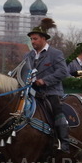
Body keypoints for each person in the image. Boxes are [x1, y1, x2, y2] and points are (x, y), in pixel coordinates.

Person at [26, 18, 71, 149]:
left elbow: (63, 72)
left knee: (56, 110)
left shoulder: (56, 54)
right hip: (31, 92)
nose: (32, 42)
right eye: (31, 39)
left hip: (51, 92)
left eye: (35, 39)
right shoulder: (28, 56)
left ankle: (64, 142)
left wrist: (44, 81)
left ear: (43, 39)